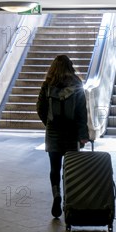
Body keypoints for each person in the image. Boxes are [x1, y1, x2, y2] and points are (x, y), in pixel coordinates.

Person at [36, 55, 90, 218]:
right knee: (70, 168)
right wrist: (83, 135)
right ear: (70, 66)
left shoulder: (47, 84)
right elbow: (81, 112)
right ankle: (69, 199)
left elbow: (40, 108)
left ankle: (56, 194)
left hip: (53, 132)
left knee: (55, 168)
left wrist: (49, 124)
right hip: (71, 132)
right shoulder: (77, 83)